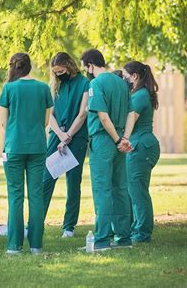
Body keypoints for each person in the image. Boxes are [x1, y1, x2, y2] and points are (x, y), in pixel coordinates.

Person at [0, 53, 53, 254]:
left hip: (14, 146)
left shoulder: (9, 88)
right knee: (36, 195)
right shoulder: (43, 88)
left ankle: (14, 246)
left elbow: (4, 122)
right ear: (30, 67)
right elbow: (46, 122)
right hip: (38, 146)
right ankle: (36, 245)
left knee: (15, 195)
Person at [82, 48, 132, 251]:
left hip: (104, 140)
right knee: (120, 188)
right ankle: (123, 237)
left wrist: (117, 138)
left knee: (102, 189)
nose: (86, 70)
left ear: (90, 65)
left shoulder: (96, 83)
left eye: (85, 67)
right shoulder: (121, 82)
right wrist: (124, 139)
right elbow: (130, 113)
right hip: (120, 138)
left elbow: (102, 117)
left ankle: (102, 239)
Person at [42, 52, 89, 238]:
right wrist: (61, 135)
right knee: (46, 179)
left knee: (73, 181)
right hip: (56, 136)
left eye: (61, 71)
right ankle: (36, 221)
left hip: (76, 137)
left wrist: (68, 135)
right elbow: (50, 114)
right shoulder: (56, 85)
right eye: (56, 72)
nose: (59, 74)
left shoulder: (85, 83)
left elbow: (82, 114)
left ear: (69, 67)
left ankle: (69, 226)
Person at [118, 61, 160, 243]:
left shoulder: (140, 96)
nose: (124, 80)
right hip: (140, 146)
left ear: (134, 76)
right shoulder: (140, 93)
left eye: (125, 77)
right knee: (133, 190)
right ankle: (136, 228)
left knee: (138, 192)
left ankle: (142, 233)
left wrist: (124, 139)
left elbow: (130, 120)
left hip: (141, 147)